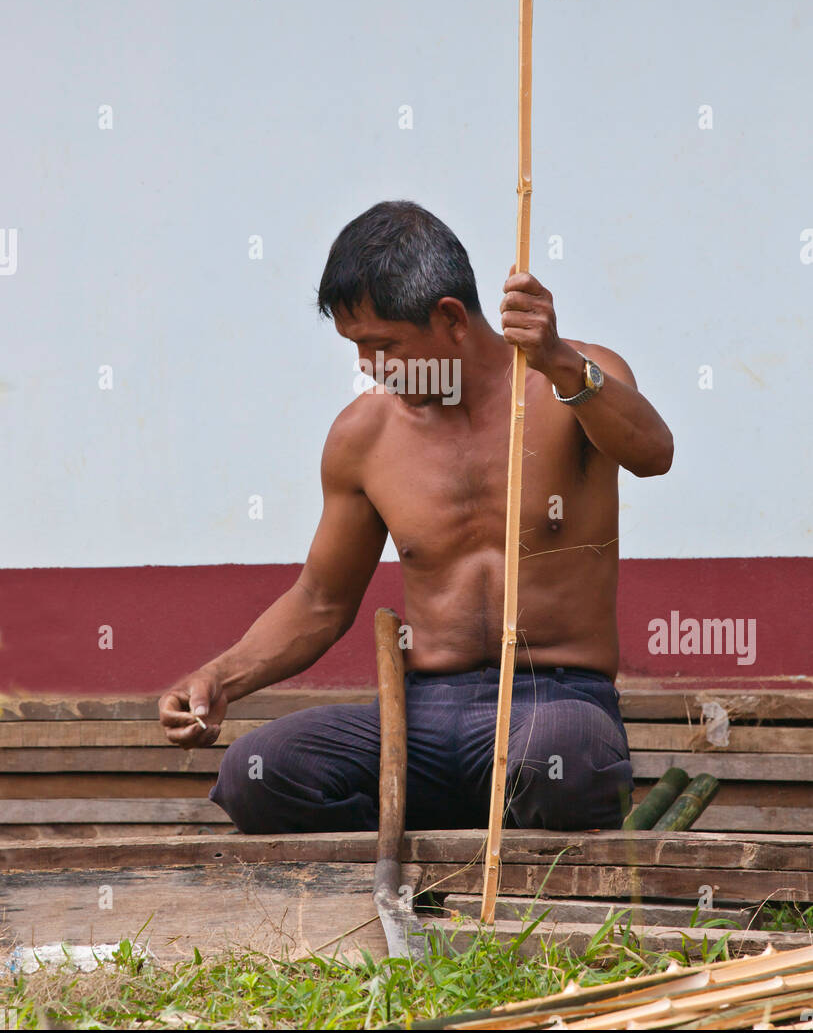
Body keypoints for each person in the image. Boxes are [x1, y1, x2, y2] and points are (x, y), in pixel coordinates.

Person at [158, 201, 673, 833]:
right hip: (419, 718)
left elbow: (655, 454)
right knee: (258, 770)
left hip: (554, 701)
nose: (367, 367)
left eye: (382, 345)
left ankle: (491, 827)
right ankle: (413, 855)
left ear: (450, 318)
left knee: (563, 758)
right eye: (356, 348)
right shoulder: (364, 434)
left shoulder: (574, 381)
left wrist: (560, 360)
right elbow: (320, 599)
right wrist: (219, 678)